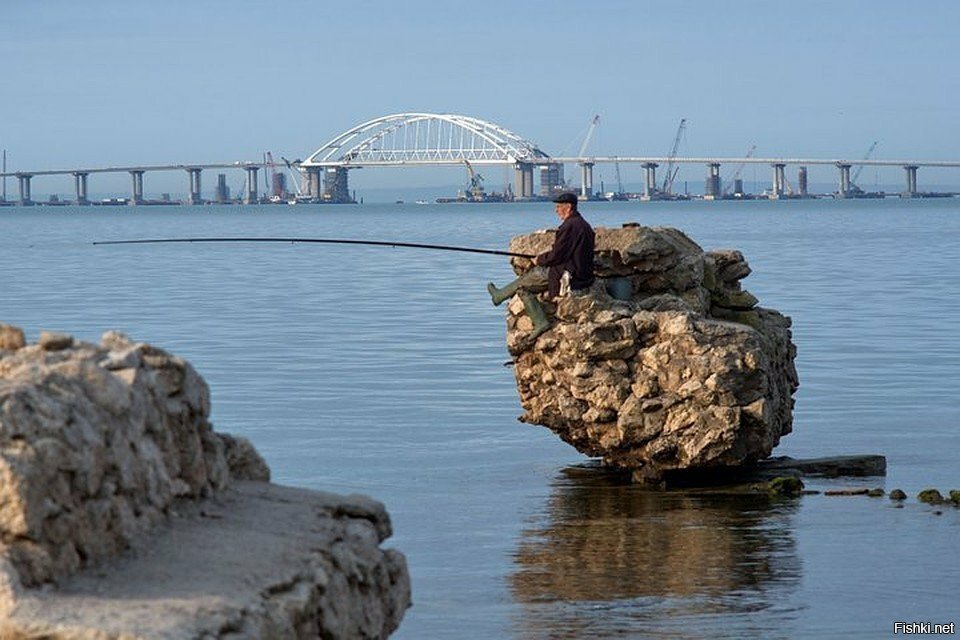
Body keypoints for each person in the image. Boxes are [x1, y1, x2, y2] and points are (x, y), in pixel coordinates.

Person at [487, 191, 595, 343]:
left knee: (524, 286)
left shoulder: (569, 226)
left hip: (569, 274)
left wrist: (539, 260)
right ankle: (500, 295)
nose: (556, 210)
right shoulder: (584, 225)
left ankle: (539, 322)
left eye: (559, 207)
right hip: (582, 273)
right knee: (532, 276)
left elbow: (557, 255)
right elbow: (565, 252)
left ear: (569, 207)